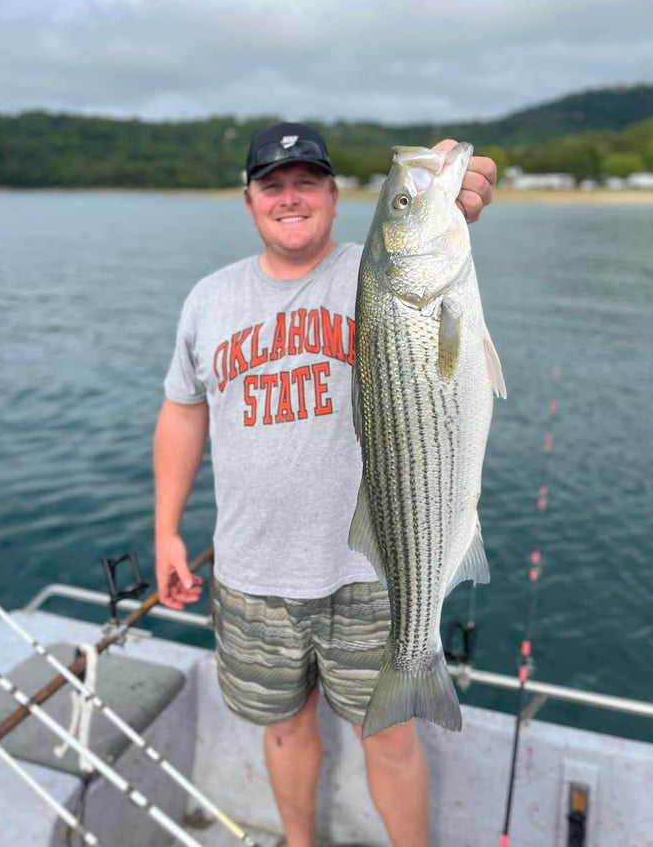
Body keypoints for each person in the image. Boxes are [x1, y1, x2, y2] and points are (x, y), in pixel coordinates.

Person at [154, 121, 496, 847]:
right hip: (250, 575)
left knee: (393, 741)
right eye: (271, 186)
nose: (289, 198)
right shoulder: (208, 300)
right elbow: (182, 414)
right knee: (283, 732)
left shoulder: (367, 274)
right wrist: (166, 530)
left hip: (374, 572)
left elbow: (440, 208)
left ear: (335, 197)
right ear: (248, 202)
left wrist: (446, 193)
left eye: (306, 182)